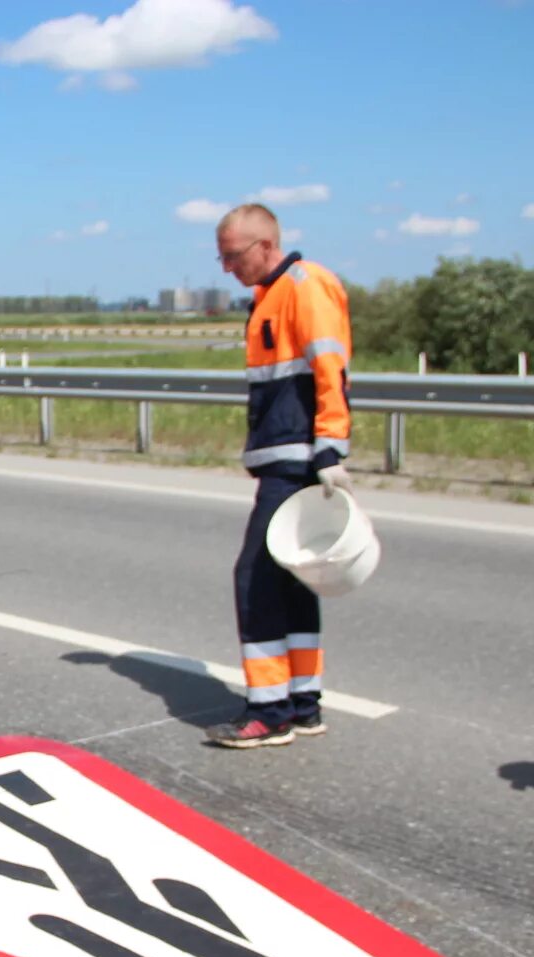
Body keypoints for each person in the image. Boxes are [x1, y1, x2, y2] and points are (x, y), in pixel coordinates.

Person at [207, 203, 355, 749]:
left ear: (265, 245)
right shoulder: (270, 295)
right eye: (220, 257)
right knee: (292, 581)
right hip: (284, 455)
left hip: (298, 459)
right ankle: (302, 703)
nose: (226, 267)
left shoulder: (304, 285)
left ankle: (269, 712)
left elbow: (328, 368)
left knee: (256, 578)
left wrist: (329, 450)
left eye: (232, 255)